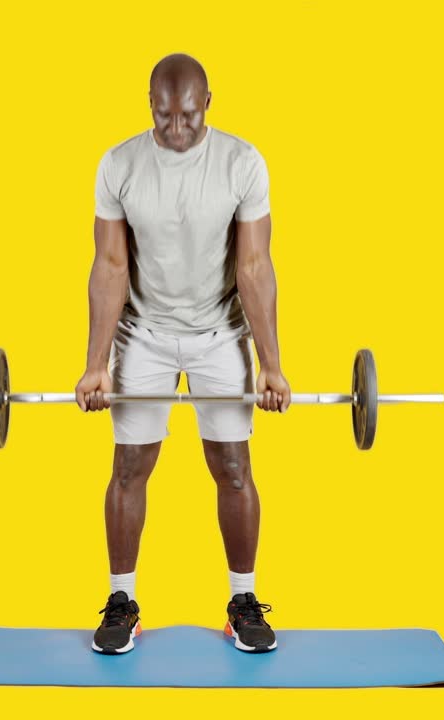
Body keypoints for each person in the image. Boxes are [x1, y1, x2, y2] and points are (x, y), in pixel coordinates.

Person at [76, 53, 289, 655]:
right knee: (128, 467)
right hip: (142, 330)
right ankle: (122, 602)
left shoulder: (241, 163)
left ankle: (243, 602)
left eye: (188, 117)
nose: (176, 129)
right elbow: (110, 266)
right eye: (165, 116)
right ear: (150, 104)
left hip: (220, 330)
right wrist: (96, 363)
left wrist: (271, 363)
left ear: (208, 104)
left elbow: (254, 267)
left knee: (234, 468)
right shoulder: (119, 164)